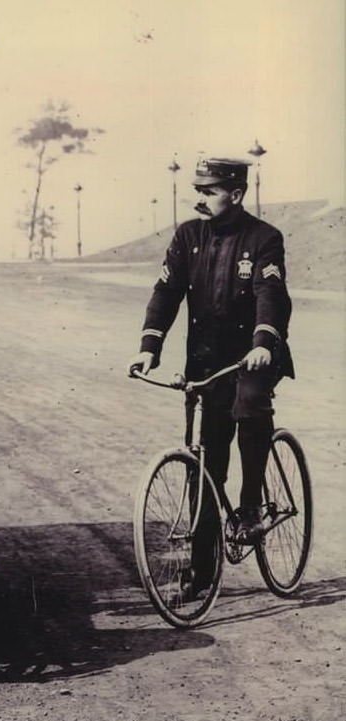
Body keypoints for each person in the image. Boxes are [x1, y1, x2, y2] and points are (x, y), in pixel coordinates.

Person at [127, 156, 294, 599]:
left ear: (235, 194)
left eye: (210, 190)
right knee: (206, 461)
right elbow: (165, 292)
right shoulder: (189, 236)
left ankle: (252, 505)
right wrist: (149, 348)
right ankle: (201, 571)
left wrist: (263, 342)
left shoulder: (264, 238)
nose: (200, 198)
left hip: (254, 357)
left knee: (249, 406)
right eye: (198, 190)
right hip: (209, 364)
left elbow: (270, 293)